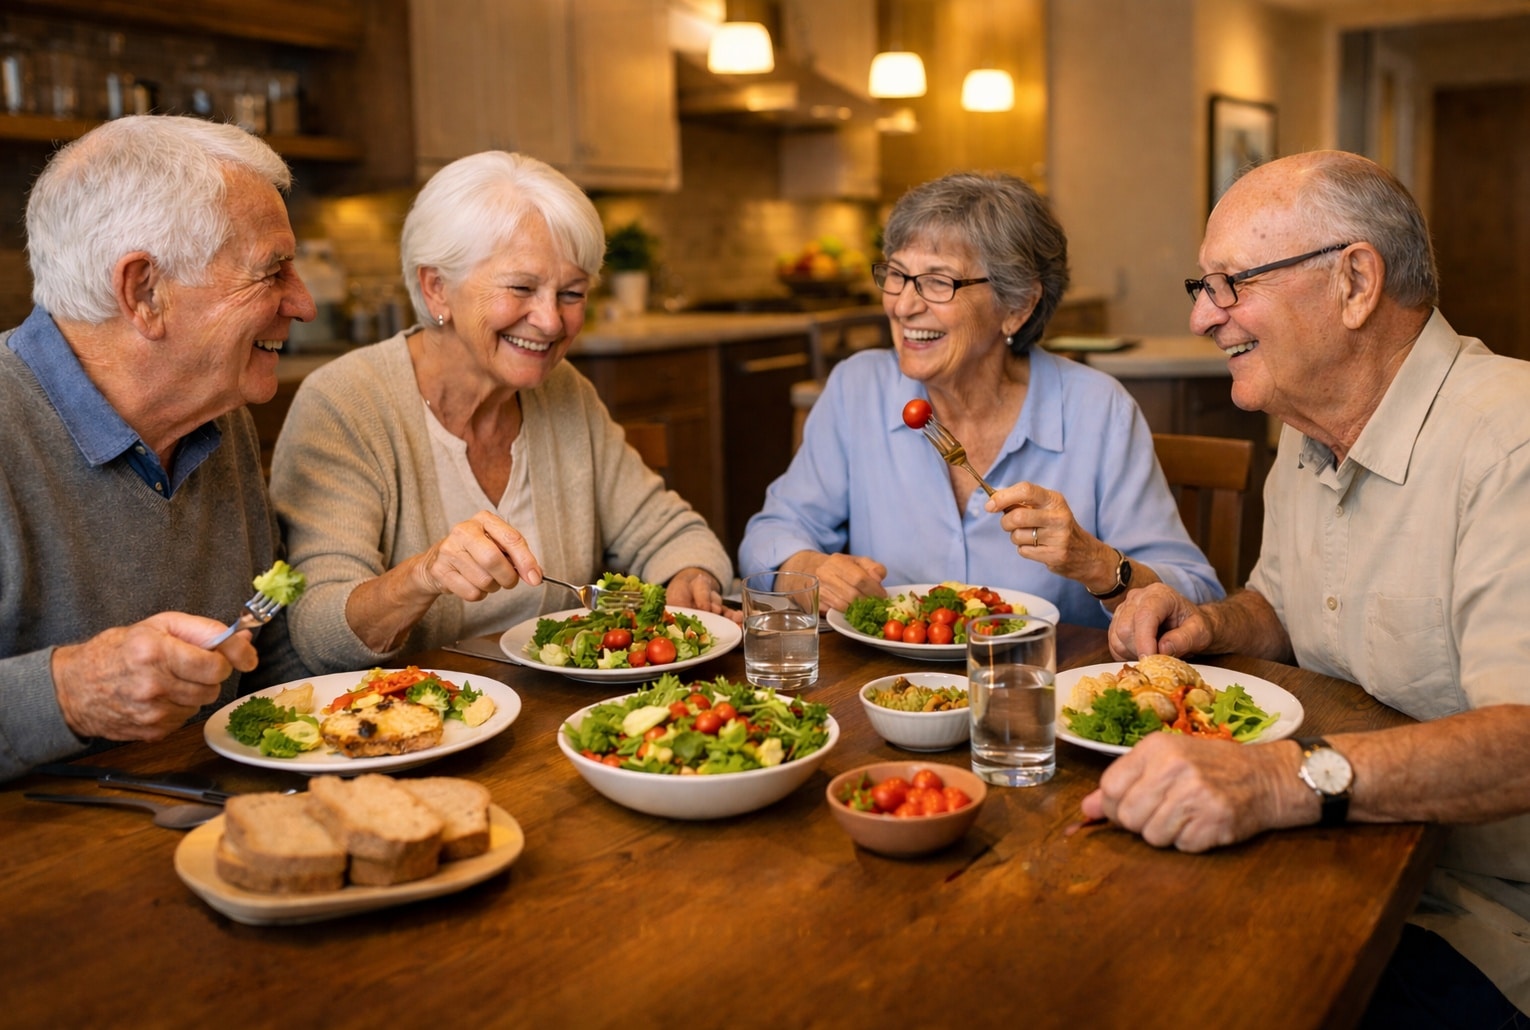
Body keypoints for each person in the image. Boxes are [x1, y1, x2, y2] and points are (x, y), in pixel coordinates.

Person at [1094, 150, 1530, 1021]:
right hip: (1342, 865)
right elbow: (1287, 611)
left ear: (1355, 282)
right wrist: (1212, 624)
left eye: (1228, 283)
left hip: (1485, 924)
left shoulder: (1510, 442)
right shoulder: (1306, 433)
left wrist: (1273, 782)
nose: (1201, 316)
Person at [269, 151, 735, 673]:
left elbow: (671, 533)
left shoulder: (565, 394)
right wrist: (425, 575)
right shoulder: (347, 401)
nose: (551, 320)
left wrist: (693, 576)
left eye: (572, 293)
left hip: (548, 723)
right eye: (521, 288)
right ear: (435, 286)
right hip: (392, 728)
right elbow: (319, 633)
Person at [737, 171, 1222, 629]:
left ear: (1017, 306)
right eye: (898, 275)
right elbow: (771, 531)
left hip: (1045, 691)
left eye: (937, 282)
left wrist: (1096, 562)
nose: (904, 305)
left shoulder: (1098, 411)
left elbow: (1196, 593)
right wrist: (804, 566)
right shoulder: (856, 390)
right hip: (886, 689)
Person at [0, 115, 316, 781]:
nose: (305, 303)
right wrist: (69, 693)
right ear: (144, 291)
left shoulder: (213, 408)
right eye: (274, 271)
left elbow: (266, 660)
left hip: (205, 823)